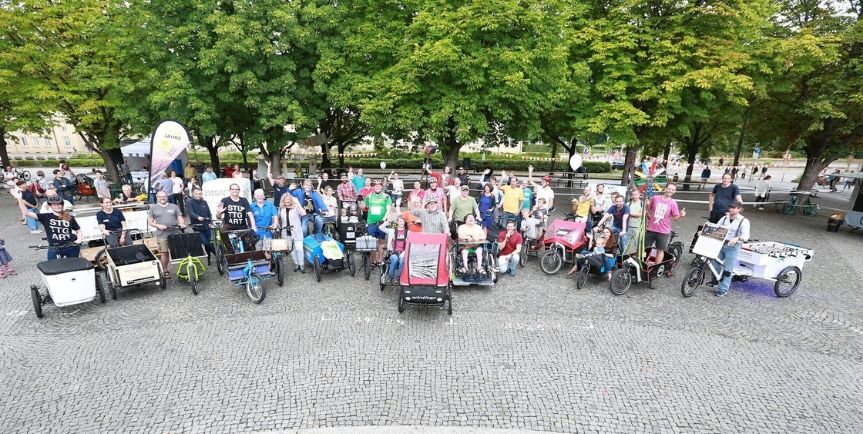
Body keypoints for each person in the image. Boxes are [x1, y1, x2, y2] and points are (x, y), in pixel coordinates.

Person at [711, 200, 750, 297]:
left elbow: (746, 236)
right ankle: (716, 279)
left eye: (733, 208)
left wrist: (737, 238)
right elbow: (716, 228)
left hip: (733, 246)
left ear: (739, 209)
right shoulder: (724, 218)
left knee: (728, 268)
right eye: (730, 207)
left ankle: (723, 289)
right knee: (714, 262)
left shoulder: (743, 221)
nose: (731, 209)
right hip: (721, 243)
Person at [645, 182, 685, 267]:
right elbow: (648, 209)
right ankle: (644, 264)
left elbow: (675, 218)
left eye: (673, 190)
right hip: (651, 229)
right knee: (646, 248)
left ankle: (656, 267)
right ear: (665, 189)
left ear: (675, 192)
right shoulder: (655, 198)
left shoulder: (673, 203)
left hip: (663, 231)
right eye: (669, 188)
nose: (670, 191)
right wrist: (649, 218)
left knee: (660, 250)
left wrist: (681, 215)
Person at [148, 191, 186, 278]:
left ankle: (182, 269)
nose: (162, 198)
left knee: (179, 252)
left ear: (167, 197)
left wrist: (182, 223)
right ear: (157, 197)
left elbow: (179, 217)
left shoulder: (174, 206)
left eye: (164, 196)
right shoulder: (153, 208)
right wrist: (158, 225)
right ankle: (165, 270)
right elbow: (150, 222)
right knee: (165, 253)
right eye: (160, 196)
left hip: (175, 232)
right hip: (162, 234)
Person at [364, 180, 393, 264]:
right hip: (371, 222)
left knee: (382, 241)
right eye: (376, 186)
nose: (377, 187)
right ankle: (374, 260)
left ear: (381, 187)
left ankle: (380, 259)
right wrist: (359, 200)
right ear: (373, 187)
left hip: (382, 223)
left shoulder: (386, 196)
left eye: (379, 186)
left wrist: (384, 219)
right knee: (372, 242)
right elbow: (364, 206)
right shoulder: (369, 196)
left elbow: (388, 209)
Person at [277, 193, 307, 273]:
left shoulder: (296, 207)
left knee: (299, 248)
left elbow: (304, 213)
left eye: (288, 200)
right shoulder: (281, 208)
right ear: (283, 201)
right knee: (292, 250)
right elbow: (278, 218)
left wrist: (297, 203)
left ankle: (302, 265)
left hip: (296, 231)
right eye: (285, 201)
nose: (287, 202)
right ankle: (296, 264)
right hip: (286, 232)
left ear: (291, 200)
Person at [185, 186, 215, 263]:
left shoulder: (204, 202)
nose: (198, 195)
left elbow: (209, 214)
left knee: (207, 243)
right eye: (196, 194)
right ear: (193, 194)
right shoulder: (189, 202)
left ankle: (208, 259)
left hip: (207, 226)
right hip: (197, 227)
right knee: (205, 242)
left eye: (200, 194)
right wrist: (198, 217)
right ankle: (218, 254)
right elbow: (191, 213)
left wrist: (211, 222)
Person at [379, 214, 408, 282]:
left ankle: (399, 276)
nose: (402, 223)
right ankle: (391, 276)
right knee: (394, 259)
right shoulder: (392, 231)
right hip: (394, 252)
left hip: (404, 252)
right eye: (400, 221)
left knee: (402, 260)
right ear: (397, 222)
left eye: (403, 221)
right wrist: (387, 222)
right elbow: (381, 228)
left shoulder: (407, 232)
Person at [251, 189, 279, 259]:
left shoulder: (270, 204)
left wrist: (275, 224)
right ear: (254, 197)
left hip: (268, 231)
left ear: (264, 196)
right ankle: (261, 267)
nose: (259, 197)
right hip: (257, 232)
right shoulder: (251, 206)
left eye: (261, 195)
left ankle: (269, 268)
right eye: (257, 195)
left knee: (268, 251)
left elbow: (275, 215)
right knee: (259, 251)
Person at [621, 187, 643, 253]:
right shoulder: (628, 204)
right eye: (633, 194)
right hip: (628, 227)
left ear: (639, 195)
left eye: (635, 194)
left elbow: (640, 214)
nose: (634, 196)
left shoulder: (642, 203)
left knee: (637, 245)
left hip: (638, 227)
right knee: (626, 245)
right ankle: (625, 258)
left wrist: (629, 213)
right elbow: (624, 214)